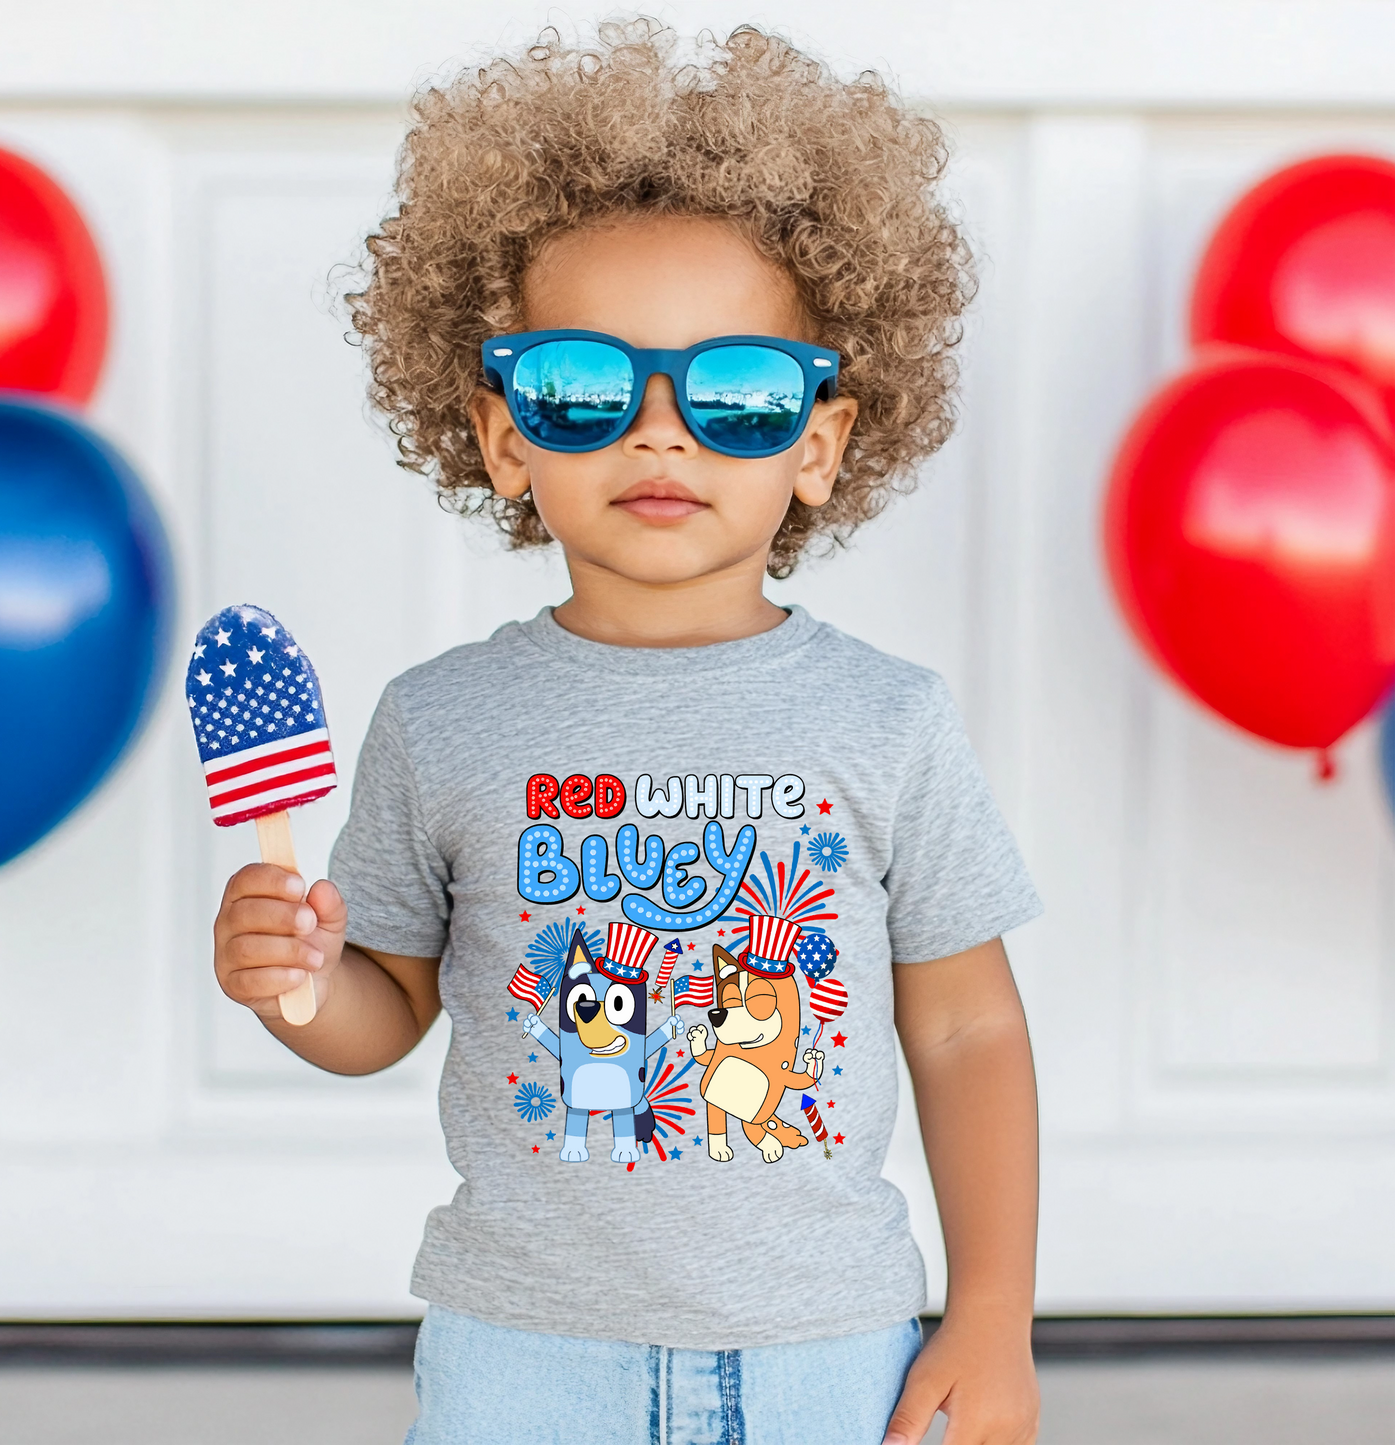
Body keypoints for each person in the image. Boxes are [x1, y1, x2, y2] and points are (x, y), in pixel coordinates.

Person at [212, 21, 1042, 1445]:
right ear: (501, 437)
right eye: (588, 390)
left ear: (820, 444)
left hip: (828, 1354)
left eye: (732, 395)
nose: (660, 436)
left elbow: (965, 1025)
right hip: (520, 1361)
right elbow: (385, 1010)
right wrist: (292, 983)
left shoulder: (888, 719)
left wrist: (991, 1320)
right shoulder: (443, 720)